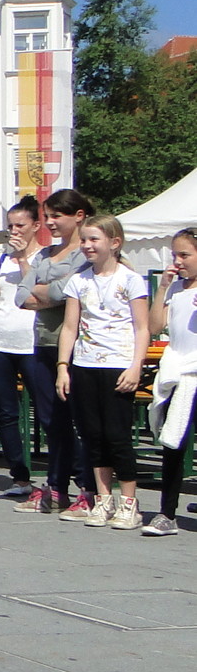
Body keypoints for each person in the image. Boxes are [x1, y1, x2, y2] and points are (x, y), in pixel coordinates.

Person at [56, 215, 149, 529]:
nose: (87, 245)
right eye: (84, 240)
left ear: (114, 242)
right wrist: (63, 367)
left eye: (94, 239)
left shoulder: (130, 279)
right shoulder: (79, 280)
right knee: (92, 435)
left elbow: (142, 327)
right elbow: (69, 327)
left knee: (117, 436)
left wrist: (136, 366)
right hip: (85, 365)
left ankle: (129, 502)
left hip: (118, 365)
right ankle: (102, 498)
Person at [16, 188, 100, 518]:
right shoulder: (44, 255)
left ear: (78, 216)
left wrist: (45, 293)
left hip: (76, 347)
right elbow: (21, 296)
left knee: (82, 421)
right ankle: (56, 488)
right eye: (47, 216)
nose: (50, 222)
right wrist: (48, 294)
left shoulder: (86, 253)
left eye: (56, 216)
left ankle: (89, 489)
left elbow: (67, 291)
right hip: (43, 343)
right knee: (52, 420)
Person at [0, 198, 51, 501]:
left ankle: (62, 476)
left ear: (36, 226)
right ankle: (19, 475)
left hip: (32, 341)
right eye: (10, 226)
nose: (14, 231)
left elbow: (38, 293)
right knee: (6, 412)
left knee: (46, 410)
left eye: (20, 225)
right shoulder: (3, 259)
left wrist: (22, 259)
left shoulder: (45, 257)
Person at [146, 228, 197, 536]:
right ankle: (167, 512)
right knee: (173, 442)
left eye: (185, 255)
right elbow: (155, 326)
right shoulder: (176, 288)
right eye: (175, 255)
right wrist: (163, 288)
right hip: (179, 371)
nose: (178, 261)